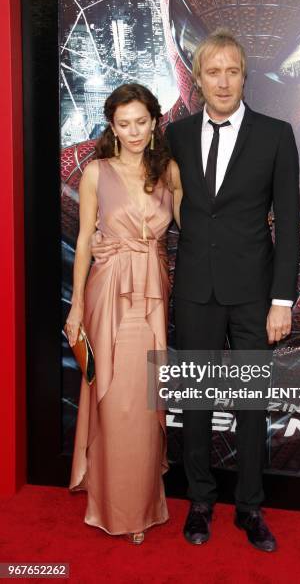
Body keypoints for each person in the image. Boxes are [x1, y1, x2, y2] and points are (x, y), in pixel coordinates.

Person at [164, 29, 300, 552]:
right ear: (197, 79)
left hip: (253, 295)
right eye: (212, 71)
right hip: (195, 290)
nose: (223, 81)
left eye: (233, 70)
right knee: (194, 402)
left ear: (245, 76)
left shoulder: (275, 135)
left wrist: (281, 301)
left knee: (251, 405)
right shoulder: (173, 135)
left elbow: (288, 224)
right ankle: (200, 501)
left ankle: (249, 506)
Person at [65, 83, 182, 544]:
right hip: (107, 290)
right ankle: (110, 504)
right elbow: (82, 242)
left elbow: (195, 220)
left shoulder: (170, 171)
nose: (133, 131)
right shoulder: (95, 172)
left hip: (151, 291)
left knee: (144, 401)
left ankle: (142, 506)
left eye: (141, 121)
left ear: (154, 122)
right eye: (123, 123)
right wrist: (75, 304)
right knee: (111, 403)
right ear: (111, 127)